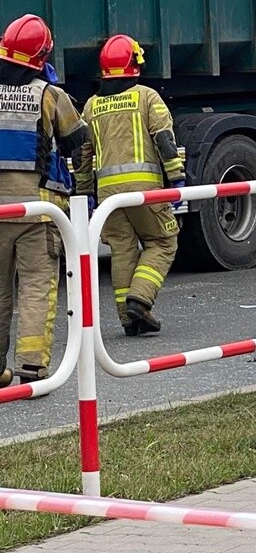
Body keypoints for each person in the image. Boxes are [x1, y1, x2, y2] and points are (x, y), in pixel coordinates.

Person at [75, 35, 185, 336]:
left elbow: (82, 153)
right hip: (145, 190)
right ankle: (141, 298)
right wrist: (176, 176)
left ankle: (128, 318)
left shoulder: (91, 106)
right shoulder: (147, 97)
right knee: (162, 242)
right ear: (133, 64)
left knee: (122, 250)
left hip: (108, 195)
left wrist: (84, 191)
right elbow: (164, 138)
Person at [0, 13, 88, 385]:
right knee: (38, 286)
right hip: (39, 210)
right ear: (42, 57)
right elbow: (78, 143)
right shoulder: (50, 96)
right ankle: (32, 367)